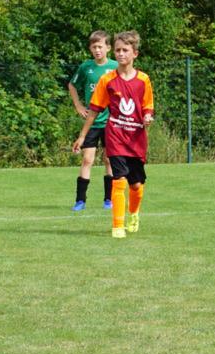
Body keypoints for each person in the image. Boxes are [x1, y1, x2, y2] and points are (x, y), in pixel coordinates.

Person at [70, 31, 152, 239]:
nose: (120, 54)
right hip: (115, 136)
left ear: (135, 53)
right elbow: (94, 110)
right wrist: (82, 136)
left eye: (125, 50)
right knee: (119, 179)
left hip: (135, 139)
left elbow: (148, 106)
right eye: (118, 50)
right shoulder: (107, 80)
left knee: (136, 185)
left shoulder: (143, 80)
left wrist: (147, 116)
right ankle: (117, 226)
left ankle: (134, 214)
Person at [64, 30, 117, 212]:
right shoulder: (86, 67)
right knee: (87, 160)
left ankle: (108, 199)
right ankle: (80, 201)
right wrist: (78, 105)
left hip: (111, 122)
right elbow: (72, 85)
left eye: (100, 46)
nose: (97, 50)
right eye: (94, 47)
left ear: (108, 48)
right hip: (92, 122)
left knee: (109, 160)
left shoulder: (115, 67)